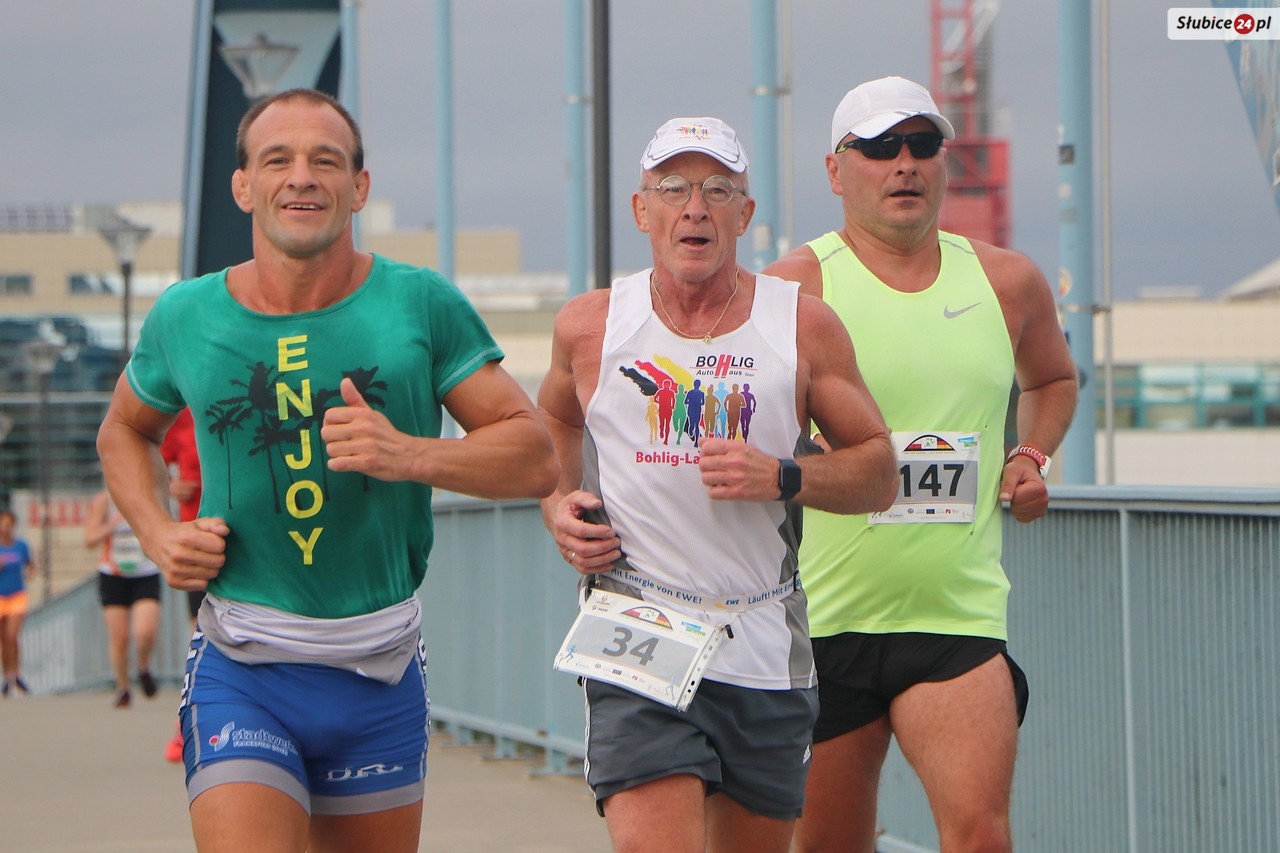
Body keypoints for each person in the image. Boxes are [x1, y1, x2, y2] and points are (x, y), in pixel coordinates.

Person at [96, 88, 558, 853]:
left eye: (326, 160)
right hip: (243, 661)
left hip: (378, 669)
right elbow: (124, 428)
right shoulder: (188, 314)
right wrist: (157, 532)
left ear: (359, 186)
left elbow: (536, 455)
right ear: (244, 185)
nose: (302, 176)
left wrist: (408, 452)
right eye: (277, 159)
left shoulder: (418, 303)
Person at [538, 116, 898, 853]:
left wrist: (784, 475)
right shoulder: (592, 326)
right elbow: (552, 420)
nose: (694, 208)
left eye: (717, 190)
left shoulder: (800, 325)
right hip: (638, 625)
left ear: (745, 213)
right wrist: (558, 502)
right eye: (673, 188)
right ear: (642, 210)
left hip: (762, 636)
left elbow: (879, 472)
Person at [763, 76, 1080, 852]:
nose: (903, 163)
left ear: (943, 162)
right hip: (823, 620)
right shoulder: (793, 287)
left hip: (956, 616)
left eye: (922, 144)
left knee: (980, 836)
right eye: (878, 147)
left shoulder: (1006, 280)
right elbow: (744, 422)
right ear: (836, 170)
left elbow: (1054, 378)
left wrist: (1030, 454)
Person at [84, 489, 162, 708]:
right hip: (113, 575)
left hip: (145, 573)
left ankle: (143, 667)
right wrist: (112, 525)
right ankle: (123, 687)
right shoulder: (104, 501)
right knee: (120, 637)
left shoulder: (147, 494)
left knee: (145, 632)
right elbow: (89, 540)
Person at [159, 407, 202, 759]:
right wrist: (170, 486)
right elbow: (142, 451)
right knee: (202, 634)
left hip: (255, 533)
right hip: (199, 537)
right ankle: (188, 724)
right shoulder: (182, 414)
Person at [0, 508, 34, 697]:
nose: (6, 528)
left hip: (17, 595)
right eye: (3, 524)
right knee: (4, 640)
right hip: (0, 595)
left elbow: (30, 564)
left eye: (9, 525)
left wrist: (29, 572)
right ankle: (7, 676)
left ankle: (17, 673)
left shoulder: (21, 545)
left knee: (12, 635)